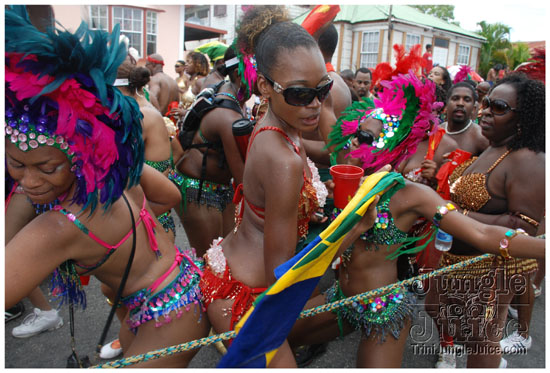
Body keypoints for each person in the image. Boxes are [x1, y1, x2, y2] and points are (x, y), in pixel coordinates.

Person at [288, 71, 545, 368]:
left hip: (382, 309)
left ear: (394, 143)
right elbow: (329, 133)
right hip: (342, 296)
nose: (354, 146)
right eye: (357, 136)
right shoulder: (357, 184)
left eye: (367, 138)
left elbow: (485, 233)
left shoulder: (409, 193)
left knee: (480, 335)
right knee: (265, 337)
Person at [5, 7, 209, 367]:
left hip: (169, 318)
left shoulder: (60, 226)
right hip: (172, 292)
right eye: (15, 164)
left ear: (79, 155)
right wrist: (119, 238)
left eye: (47, 167)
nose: (29, 181)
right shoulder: (119, 168)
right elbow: (169, 196)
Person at [197, 6, 339, 367]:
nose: (314, 105)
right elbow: (283, 273)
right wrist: (350, 231)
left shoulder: (278, 123)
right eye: (299, 94)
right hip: (246, 295)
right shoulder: (284, 159)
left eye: (323, 89)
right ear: (265, 86)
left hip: (234, 271)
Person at [424, 73, 545, 368]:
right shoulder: (493, 146)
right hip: (453, 256)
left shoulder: (528, 160)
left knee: (481, 339)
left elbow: (524, 228)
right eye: (487, 103)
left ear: (523, 117)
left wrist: (449, 213)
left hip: (488, 270)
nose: (486, 111)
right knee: (436, 308)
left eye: (499, 107)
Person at [170, 46, 247, 256]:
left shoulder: (233, 97)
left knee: (226, 257)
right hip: (197, 188)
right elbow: (242, 180)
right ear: (239, 73)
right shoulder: (227, 115)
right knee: (211, 261)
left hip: (221, 188)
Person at [441, 82, 489, 156]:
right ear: (446, 105)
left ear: (474, 108)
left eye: (467, 100)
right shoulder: (438, 130)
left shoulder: (480, 137)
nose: (460, 103)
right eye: (455, 98)